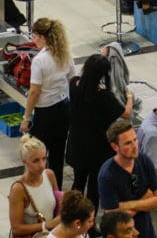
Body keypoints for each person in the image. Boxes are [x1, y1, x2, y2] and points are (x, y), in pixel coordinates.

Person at [18, 18, 75, 178]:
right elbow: (73, 79)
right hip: (64, 108)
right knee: (57, 152)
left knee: (36, 152)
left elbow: (34, 92)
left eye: (34, 35)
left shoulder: (40, 61)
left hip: (46, 112)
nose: (32, 39)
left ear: (43, 37)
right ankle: (56, 188)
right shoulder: (65, 54)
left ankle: (37, 183)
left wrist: (26, 117)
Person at [68, 54, 124, 208]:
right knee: (94, 188)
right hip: (97, 150)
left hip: (77, 144)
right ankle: (90, 224)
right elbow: (124, 112)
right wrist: (130, 99)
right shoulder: (104, 97)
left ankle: (71, 215)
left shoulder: (74, 85)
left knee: (78, 182)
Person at [99, 119, 157, 238]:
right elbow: (113, 219)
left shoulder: (144, 160)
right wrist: (147, 198)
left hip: (147, 232)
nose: (135, 146)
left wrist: (125, 205)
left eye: (135, 140)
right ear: (115, 147)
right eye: (128, 143)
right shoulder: (107, 175)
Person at [8, 135, 62, 237]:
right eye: (36, 160)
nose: (42, 165)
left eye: (44, 158)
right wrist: (47, 225)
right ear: (25, 162)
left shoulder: (49, 175)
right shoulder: (18, 189)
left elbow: (58, 205)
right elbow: (16, 229)